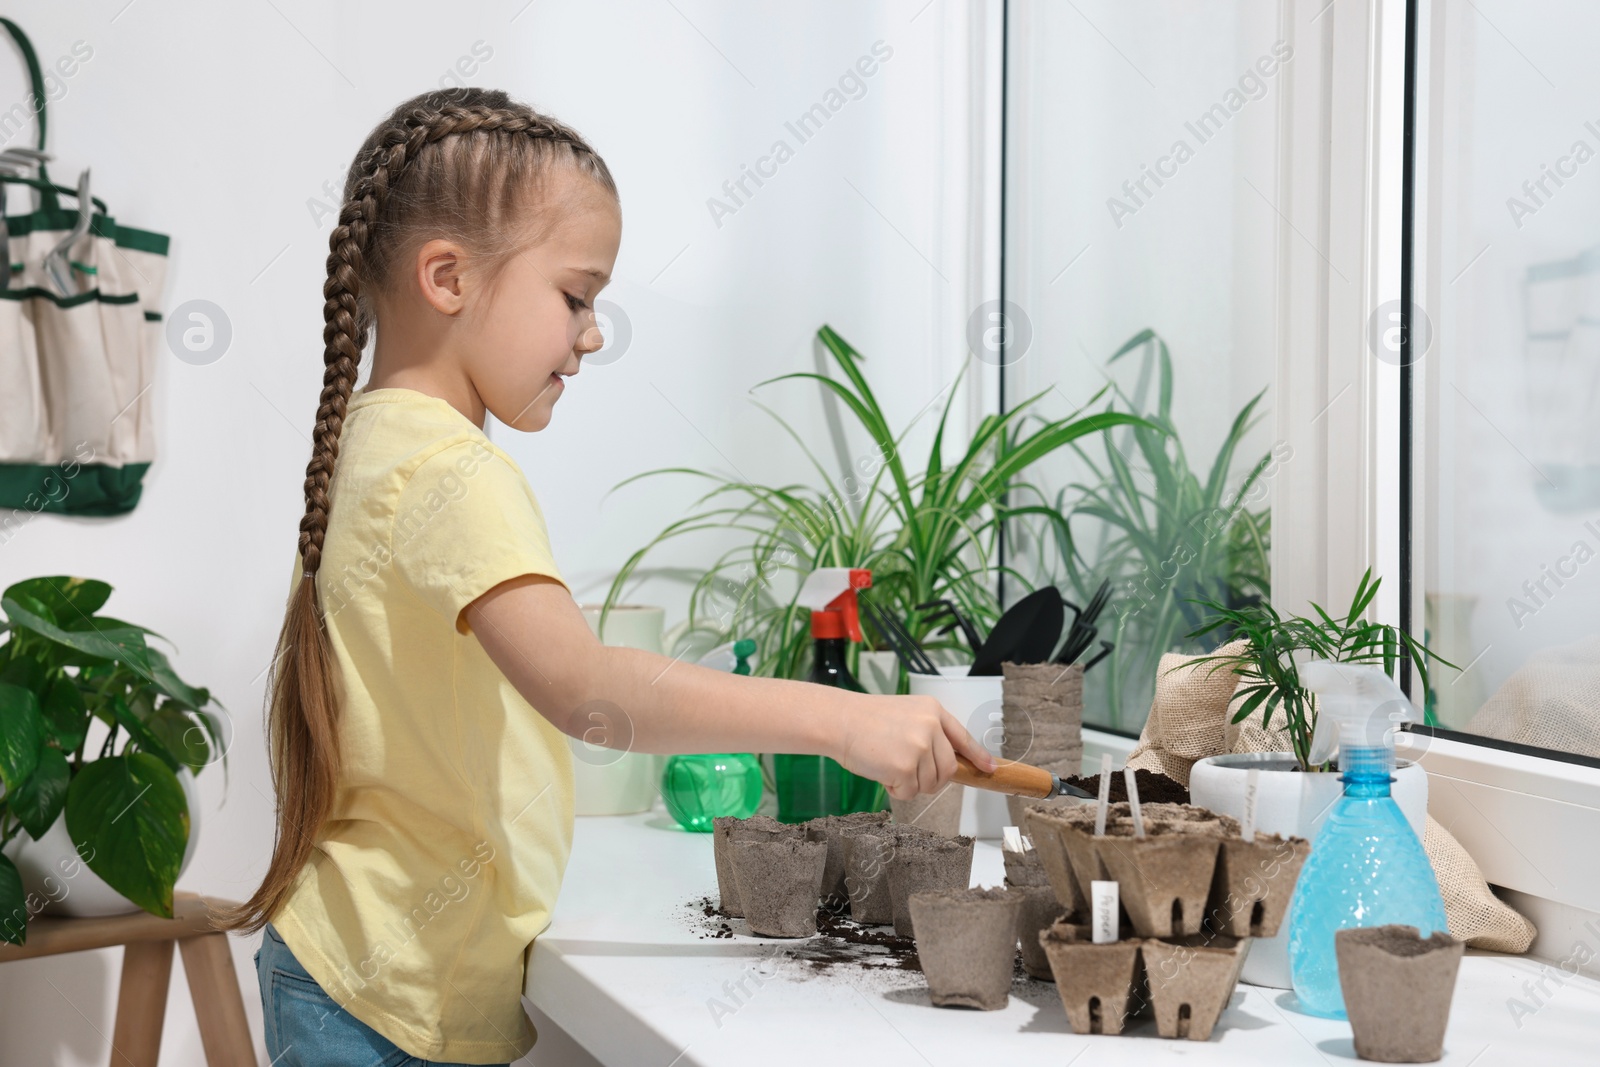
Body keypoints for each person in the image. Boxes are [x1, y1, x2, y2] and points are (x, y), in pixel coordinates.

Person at [215, 88, 992, 1067]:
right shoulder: (450, 469)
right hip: (382, 995)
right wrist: (843, 718)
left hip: (363, 968)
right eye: (575, 296)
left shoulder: (375, 443)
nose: (589, 334)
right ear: (447, 277)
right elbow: (586, 690)